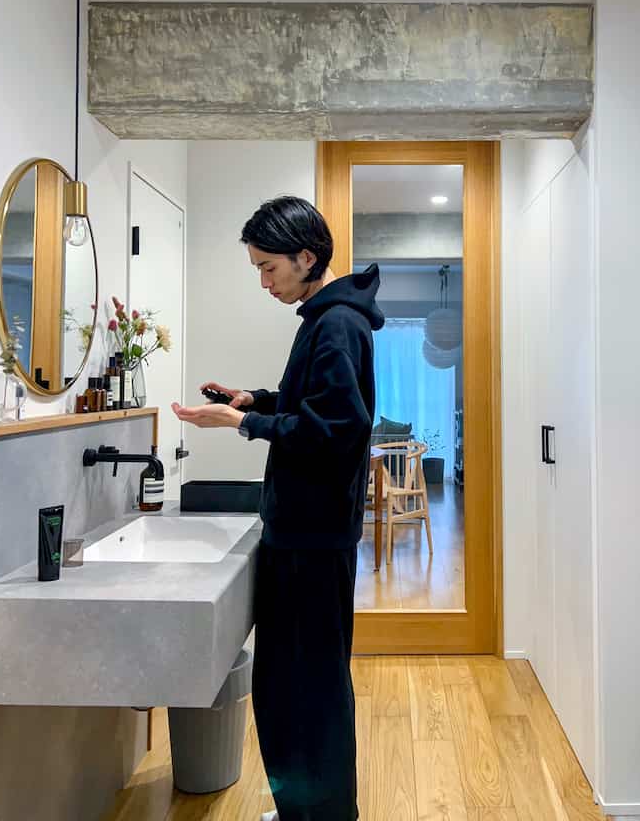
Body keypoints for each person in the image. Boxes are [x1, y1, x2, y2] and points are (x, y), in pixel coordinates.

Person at [172, 196, 384, 821]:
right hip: (311, 533)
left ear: (306, 257)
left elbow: (337, 429)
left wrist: (243, 421)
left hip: (312, 538)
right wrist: (255, 398)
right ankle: (311, 810)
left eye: (268, 268)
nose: (264, 281)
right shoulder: (326, 318)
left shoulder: (336, 323)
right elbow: (312, 404)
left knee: (305, 687)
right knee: (297, 684)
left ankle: (318, 813)